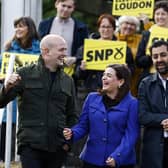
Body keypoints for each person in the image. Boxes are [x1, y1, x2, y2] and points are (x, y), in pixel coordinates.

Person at [0, 34, 78, 168]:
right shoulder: (24, 73)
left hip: (57, 147)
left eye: (65, 50)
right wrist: (6, 88)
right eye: (61, 50)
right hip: (30, 146)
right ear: (46, 51)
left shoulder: (68, 80)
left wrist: (67, 144)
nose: (65, 54)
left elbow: (72, 115)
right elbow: (1, 103)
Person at [63, 64, 139, 168]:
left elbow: (131, 135)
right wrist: (72, 133)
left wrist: (117, 156)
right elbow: (83, 126)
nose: (104, 77)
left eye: (109, 75)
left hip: (119, 162)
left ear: (120, 82)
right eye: (103, 74)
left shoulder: (132, 103)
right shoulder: (91, 98)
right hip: (92, 160)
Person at [0, 16, 40, 162]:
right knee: (7, 126)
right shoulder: (9, 47)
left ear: (30, 29)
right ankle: (5, 160)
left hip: (32, 95)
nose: (17, 29)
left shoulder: (40, 48)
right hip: (11, 94)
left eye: (21, 26)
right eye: (16, 26)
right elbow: (1, 68)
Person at [75, 14, 135, 93]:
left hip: (113, 92)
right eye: (103, 27)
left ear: (114, 29)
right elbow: (77, 74)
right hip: (90, 90)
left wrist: (126, 70)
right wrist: (81, 69)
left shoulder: (123, 48)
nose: (106, 30)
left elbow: (131, 71)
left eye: (109, 27)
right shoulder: (86, 47)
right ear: (99, 28)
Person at [38, 0, 88, 77]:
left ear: (73, 8)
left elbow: (85, 50)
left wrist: (75, 59)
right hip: (46, 70)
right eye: (63, 6)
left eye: (69, 7)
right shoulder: (44, 25)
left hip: (70, 71)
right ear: (56, 4)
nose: (65, 9)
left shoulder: (81, 28)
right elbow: (39, 47)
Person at [138, 40, 168, 168]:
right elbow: (142, 116)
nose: (159, 59)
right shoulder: (145, 84)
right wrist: (165, 120)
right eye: (155, 57)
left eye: (163, 55)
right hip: (153, 150)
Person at [136, 0, 168, 83]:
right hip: (150, 78)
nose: (160, 17)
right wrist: (154, 56)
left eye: (163, 14)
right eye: (157, 14)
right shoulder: (147, 34)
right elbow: (139, 61)